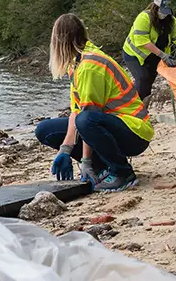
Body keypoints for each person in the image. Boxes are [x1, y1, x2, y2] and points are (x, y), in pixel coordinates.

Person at [34, 13, 154, 192]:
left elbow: (87, 117)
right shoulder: (76, 64)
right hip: (110, 124)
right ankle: (103, 169)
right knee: (44, 130)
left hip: (134, 132)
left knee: (86, 120)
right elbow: (76, 111)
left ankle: (123, 173)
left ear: (58, 41)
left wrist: (85, 162)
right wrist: (65, 150)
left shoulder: (90, 66)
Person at [120, 0, 176, 101]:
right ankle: (133, 106)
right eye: (162, 11)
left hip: (154, 56)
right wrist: (163, 55)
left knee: (149, 81)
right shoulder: (144, 18)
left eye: (167, 11)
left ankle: (142, 107)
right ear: (156, 7)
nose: (164, 14)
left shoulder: (171, 21)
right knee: (142, 78)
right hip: (134, 54)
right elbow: (142, 41)